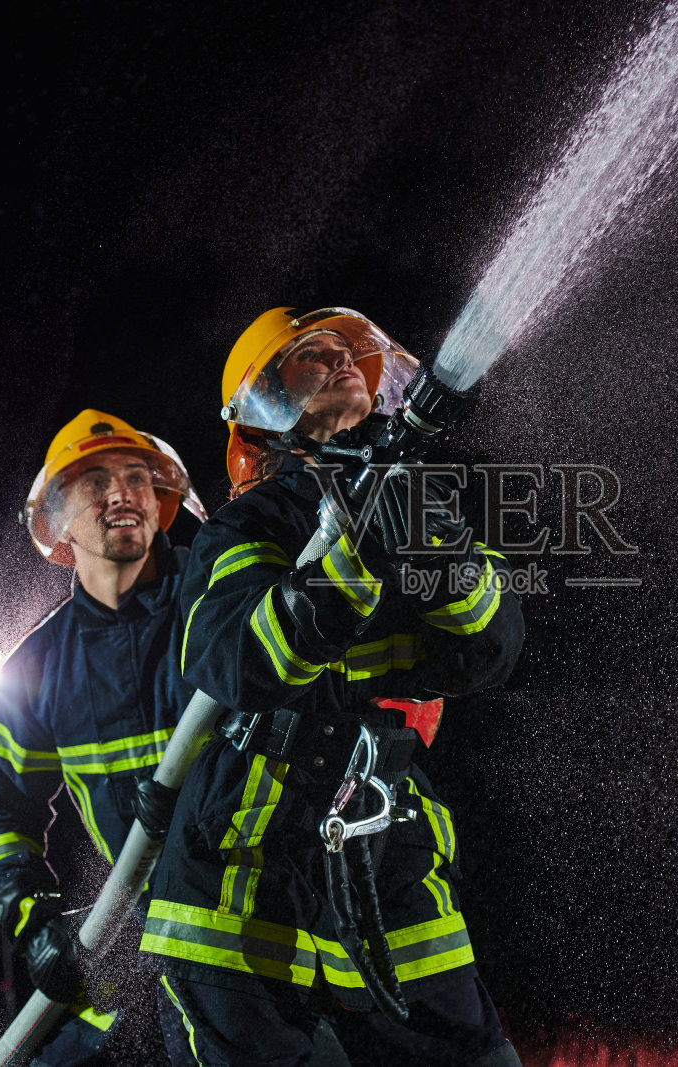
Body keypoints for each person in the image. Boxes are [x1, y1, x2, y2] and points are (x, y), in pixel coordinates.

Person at [140, 308, 526, 1065]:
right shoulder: (244, 528)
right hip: (241, 865)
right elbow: (237, 662)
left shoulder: (420, 508)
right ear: (265, 413)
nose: (344, 362)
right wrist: (347, 562)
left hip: (388, 845)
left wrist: (432, 545)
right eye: (314, 358)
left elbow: (491, 646)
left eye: (349, 352)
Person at [0, 409, 206, 1065]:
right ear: (59, 523)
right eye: (95, 482)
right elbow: (0, 809)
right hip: (142, 928)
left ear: (159, 506)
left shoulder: (218, 598)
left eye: (136, 477)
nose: (122, 492)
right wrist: (35, 924)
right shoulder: (37, 669)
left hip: (258, 914)